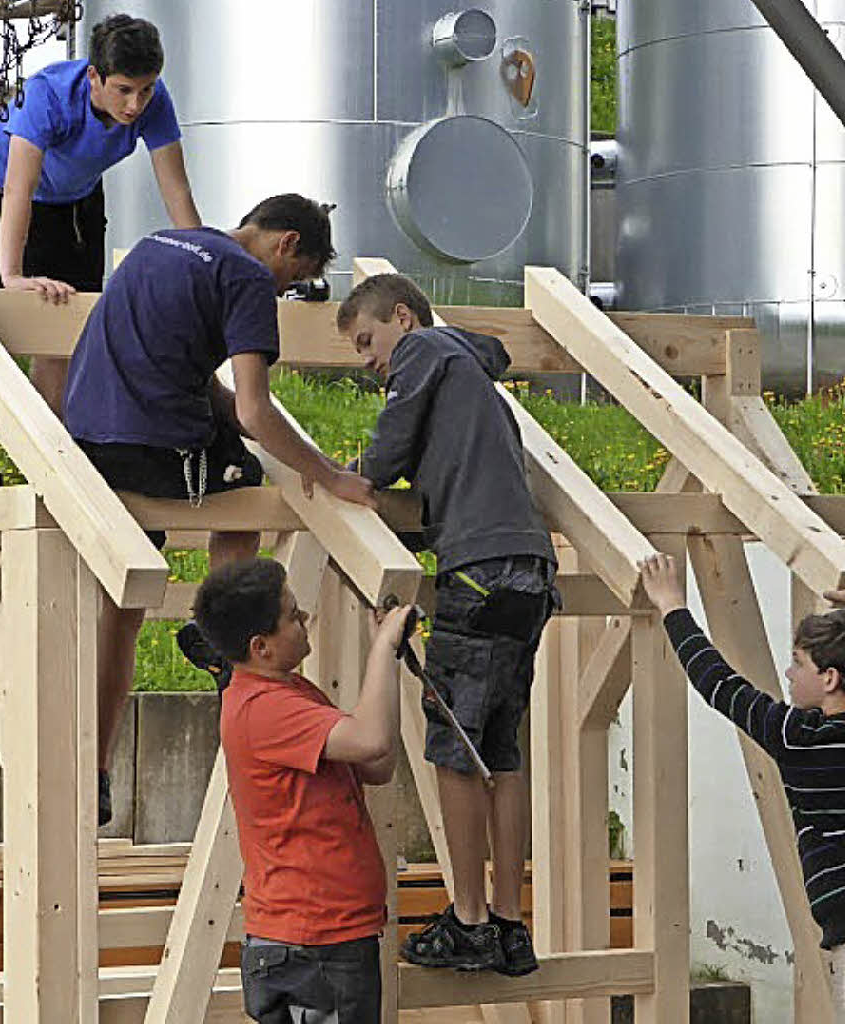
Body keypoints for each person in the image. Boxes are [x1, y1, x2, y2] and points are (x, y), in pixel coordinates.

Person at [64, 193, 375, 825]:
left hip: (89, 439)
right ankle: (223, 631)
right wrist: (327, 474)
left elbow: (193, 377)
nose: (283, 292)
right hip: (153, 445)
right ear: (286, 244)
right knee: (247, 490)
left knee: (122, 607)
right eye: (294, 279)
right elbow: (255, 410)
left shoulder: (159, 243)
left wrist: (239, 423)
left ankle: (94, 769)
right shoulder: (247, 276)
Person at [336, 273, 560, 976]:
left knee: (455, 748)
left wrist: (351, 475)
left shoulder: (424, 351)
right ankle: (509, 923)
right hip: (528, 571)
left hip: (478, 572)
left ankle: (468, 920)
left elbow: (388, 451)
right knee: (500, 750)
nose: (368, 361)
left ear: (402, 317)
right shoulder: (469, 372)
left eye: (367, 341)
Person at [638, 554, 845, 1024]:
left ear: (830, 678)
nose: (789, 674)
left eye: (798, 664)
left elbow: (717, 681)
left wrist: (672, 605)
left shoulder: (800, 739)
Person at [193, 557, 408, 1024]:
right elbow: (372, 740)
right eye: (292, 615)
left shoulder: (293, 693)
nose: (304, 617)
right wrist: (383, 648)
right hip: (313, 943)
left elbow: (377, 764)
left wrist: (386, 659)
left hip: (326, 938)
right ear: (261, 647)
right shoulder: (264, 708)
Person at [0, 13, 202, 424]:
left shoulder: (155, 100)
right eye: (124, 90)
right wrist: (12, 276)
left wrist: (205, 263)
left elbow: (176, 190)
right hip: (5, 191)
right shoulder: (49, 94)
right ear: (95, 76)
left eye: (145, 91)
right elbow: (19, 189)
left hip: (77, 200)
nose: (135, 105)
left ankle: (52, 451)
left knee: (68, 330)